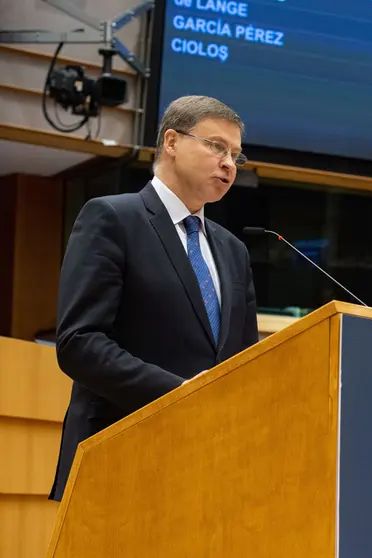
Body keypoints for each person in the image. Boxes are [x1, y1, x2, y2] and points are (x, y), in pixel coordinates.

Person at [49, 95, 259, 501]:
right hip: (120, 457)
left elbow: (244, 364)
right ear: (172, 141)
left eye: (236, 154)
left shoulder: (234, 250)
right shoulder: (112, 218)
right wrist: (179, 393)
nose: (229, 163)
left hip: (210, 469)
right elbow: (79, 342)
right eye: (217, 146)